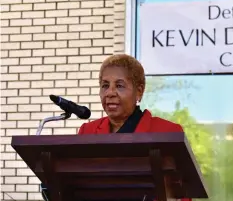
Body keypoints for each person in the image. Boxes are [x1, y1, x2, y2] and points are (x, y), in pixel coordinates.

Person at [41, 54, 192, 201]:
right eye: (105, 86)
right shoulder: (88, 132)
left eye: (119, 86)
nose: (110, 93)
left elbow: (182, 193)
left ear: (139, 92)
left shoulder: (167, 132)